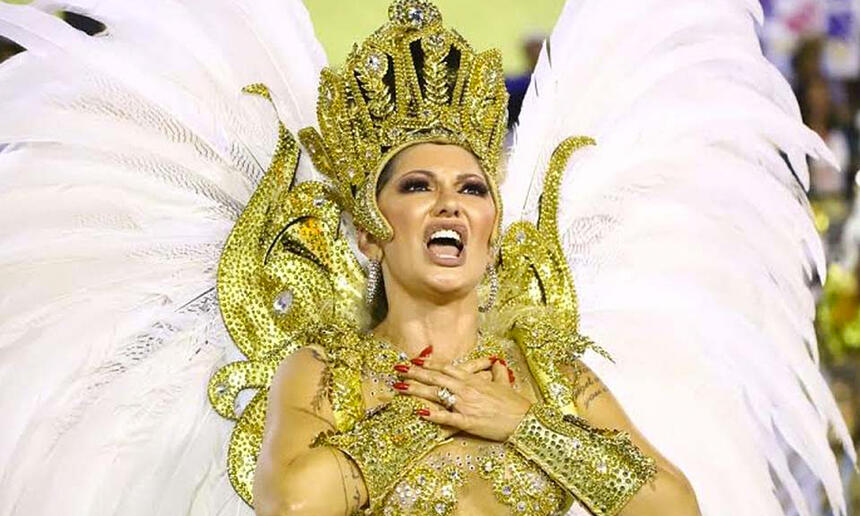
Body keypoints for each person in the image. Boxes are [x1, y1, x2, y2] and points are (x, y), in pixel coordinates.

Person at [0, 1, 852, 516]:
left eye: (473, 190)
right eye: (418, 186)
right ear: (372, 233)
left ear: (491, 232)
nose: (450, 203)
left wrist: (521, 424)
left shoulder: (550, 376)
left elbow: (674, 505)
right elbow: (289, 502)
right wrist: (420, 412)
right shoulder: (324, 370)